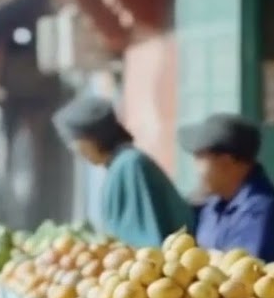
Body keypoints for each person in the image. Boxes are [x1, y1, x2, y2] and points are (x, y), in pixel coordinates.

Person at [52, 95, 192, 247]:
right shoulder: (119, 166)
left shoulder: (129, 165)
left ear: (91, 139)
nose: (73, 149)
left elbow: (146, 245)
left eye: (73, 141)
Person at [180, 113, 274, 266]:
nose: (196, 168)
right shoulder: (212, 204)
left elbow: (242, 276)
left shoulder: (261, 211)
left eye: (200, 157)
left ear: (226, 162)